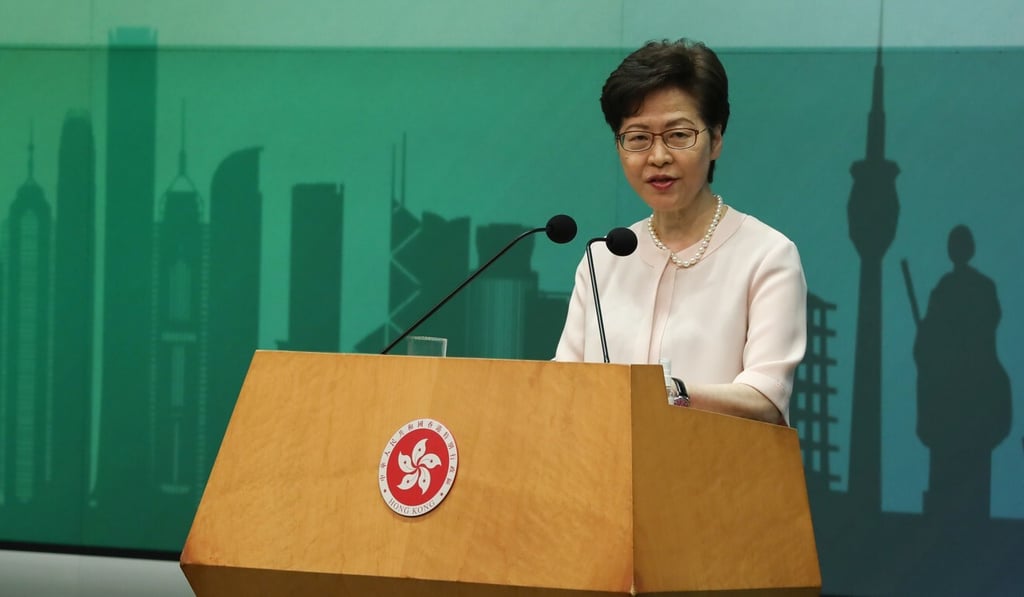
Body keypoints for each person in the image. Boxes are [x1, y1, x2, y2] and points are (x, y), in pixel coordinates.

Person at [554, 39, 806, 425]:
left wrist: (667, 392)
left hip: (715, 478)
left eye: (678, 134)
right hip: (605, 478)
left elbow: (766, 397)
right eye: (638, 137)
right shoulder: (602, 259)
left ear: (716, 139)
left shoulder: (767, 255)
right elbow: (565, 381)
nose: (658, 157)